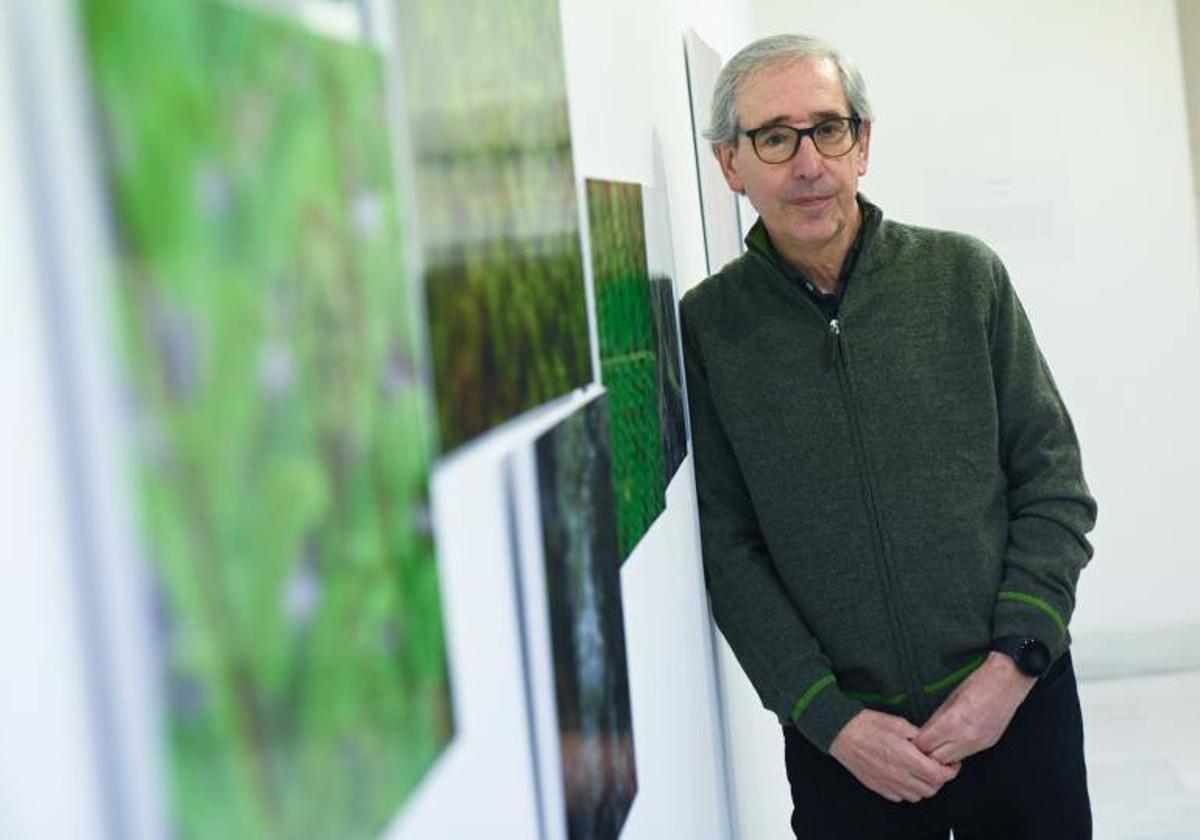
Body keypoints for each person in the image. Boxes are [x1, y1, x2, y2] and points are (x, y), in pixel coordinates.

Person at [680, 33, 1097, 839]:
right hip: (848, 752)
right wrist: (829, 720)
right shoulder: (708, 329)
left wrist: (1010, 671)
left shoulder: (963, 278)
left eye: (828, 129)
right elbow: (728, 551)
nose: (808, 163)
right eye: (774, 137)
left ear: (862, 143)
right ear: (731, 165)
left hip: (1019, 711)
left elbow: (1053, 485)